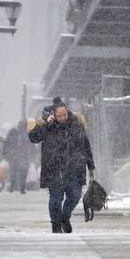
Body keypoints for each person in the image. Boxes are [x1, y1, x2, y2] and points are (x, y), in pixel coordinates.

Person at [29, 97, 95, 233]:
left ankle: (65, 216)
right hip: (54, 168)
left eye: (65, 114)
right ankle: (56, 226)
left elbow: (85, 145)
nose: (63, 117)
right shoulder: (46, 124)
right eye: (60, 116)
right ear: (54, 114)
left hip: (74, 168)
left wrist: (91, 165)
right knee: (56, 199)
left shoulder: (76, 123)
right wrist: (47, 124)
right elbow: (33, 137)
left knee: (76, 195)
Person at [3, 119, 34, 194]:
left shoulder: (27, 133)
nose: (23, 126)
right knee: (14, 171)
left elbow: (32, 144)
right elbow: (7, 143)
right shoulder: (13, 132)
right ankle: (12, 186)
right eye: (22, 124)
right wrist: (6, 153)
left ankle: (21, 187)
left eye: (24, 125)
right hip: (14, 155)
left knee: (23, 171)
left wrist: (33, 155)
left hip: (24, 155)